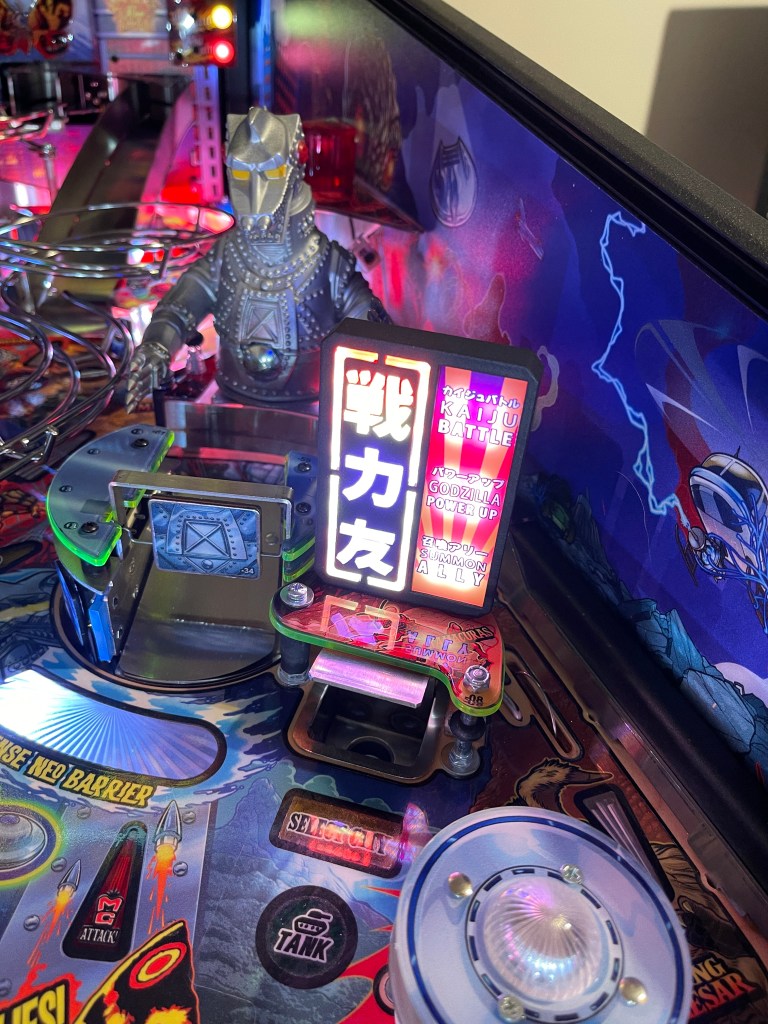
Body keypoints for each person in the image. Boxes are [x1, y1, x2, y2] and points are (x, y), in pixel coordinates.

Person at [126, 107, 388, 410]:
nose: (253, 190)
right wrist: (157, 347)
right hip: (230, 405)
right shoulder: (226, 256)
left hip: (310, 409)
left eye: (270, 172)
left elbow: (375, 336)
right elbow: (178, 309)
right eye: (241, 173)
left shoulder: (329, 265)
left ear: (293, 171)